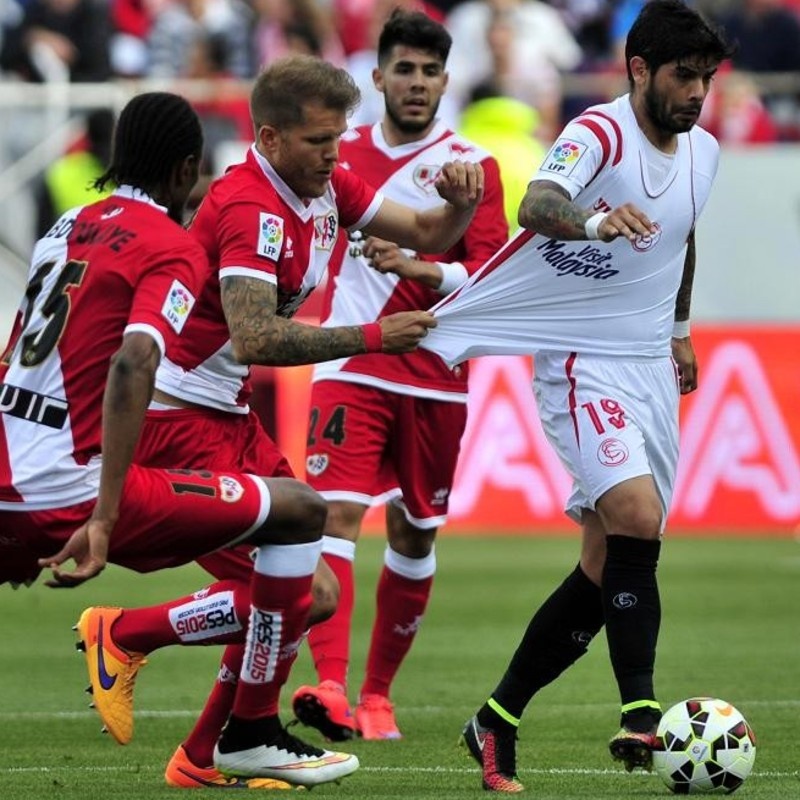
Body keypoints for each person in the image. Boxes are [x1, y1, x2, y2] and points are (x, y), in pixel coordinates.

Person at [73, 54, 484, 789]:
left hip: (225, 415)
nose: (335, 154)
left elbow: (424, 227)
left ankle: (203, 754)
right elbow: (254, 338)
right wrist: (368, 338)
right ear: (267, 138)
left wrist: (456, 205)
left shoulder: (321, 184)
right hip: (177, 415)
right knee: (301, 590)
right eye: (319, 141)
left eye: (338, 138)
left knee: (309, 590)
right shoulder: (249, 209)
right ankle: (133, 640)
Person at [0, 91, 360, 789]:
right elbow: (135, 362)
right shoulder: (173, 245)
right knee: (303, 517)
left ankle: (202, 751)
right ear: (186, 169)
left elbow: (22, 351)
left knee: (301, 586)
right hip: (76, 486)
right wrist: (102, 517)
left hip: (10, 467)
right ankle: (238, 725)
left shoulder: (67, 225)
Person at [419, 0, 734, 791]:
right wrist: (593, 225)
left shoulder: (706, 155)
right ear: (638, 70)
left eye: (705, 78)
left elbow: (681, 233)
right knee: (637, 517)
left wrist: (681, 326)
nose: (697, 93)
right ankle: (642, 714)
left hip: (645, 361)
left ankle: (495, 720)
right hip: (578, 353)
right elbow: (537, 205)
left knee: (606, 561)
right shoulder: (598, 132)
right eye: (683, 76)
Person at [289, 9, 508, 743]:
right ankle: (330, 685)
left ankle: (379, 693)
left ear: (447, 81)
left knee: (414, 536)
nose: (416, 83)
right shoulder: (333, 155)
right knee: (335, 516)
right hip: (350, 359)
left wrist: (420, 265)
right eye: (403, 69)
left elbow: (490, 278)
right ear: (376, 77)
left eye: (429, 71)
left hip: (436, 374)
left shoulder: (473, 167)